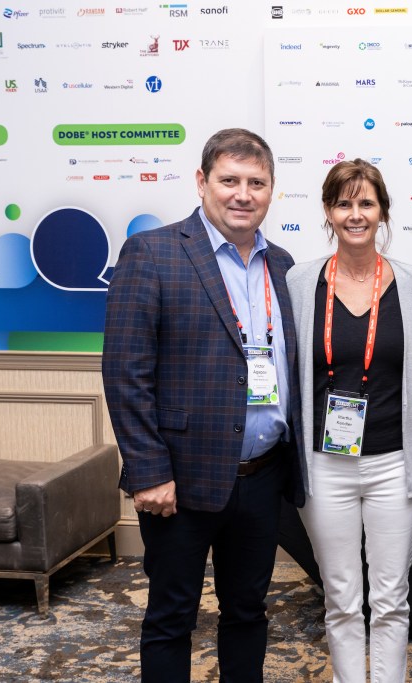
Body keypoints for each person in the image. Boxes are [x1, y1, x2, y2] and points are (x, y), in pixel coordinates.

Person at [102, 128, 304, 683]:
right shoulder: (153, 252)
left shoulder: (283, 265)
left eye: (256, 183)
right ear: (202, 182)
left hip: (262, 477)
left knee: (247, 613)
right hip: (179, 483)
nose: (243, 194)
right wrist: (148, 472)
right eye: (230, 180)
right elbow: (125, 372)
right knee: (171, 617)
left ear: (271, 190)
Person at [286, 159, 412, 682]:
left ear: (383, 212)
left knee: (392, 598)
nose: (355, 214)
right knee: (342, 598)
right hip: (325, 465)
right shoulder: (299, 282)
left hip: (395, 461)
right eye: (344, 203)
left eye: (365, 203)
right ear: (329, 211)